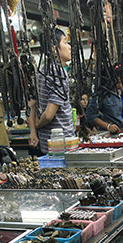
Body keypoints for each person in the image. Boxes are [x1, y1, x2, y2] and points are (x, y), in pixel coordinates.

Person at [28, 28, 75, 156]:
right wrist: (38, 124)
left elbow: (31, 105)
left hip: (45, 144)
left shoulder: (41, 72)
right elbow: (49, 115)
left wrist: (33, 132)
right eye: (65, 42)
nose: (69, 47)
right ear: (54, 48)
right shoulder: (58, 74)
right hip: (61, 144)